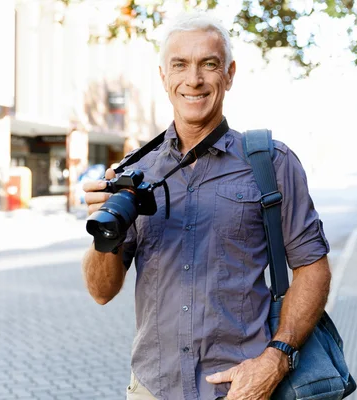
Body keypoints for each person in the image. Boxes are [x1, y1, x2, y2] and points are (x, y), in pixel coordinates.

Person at [81, 11, 331, 400]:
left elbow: (312, 267)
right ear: (164, 77)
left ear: (229, 74)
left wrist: (276, 359)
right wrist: (104, 230)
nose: (193, 79)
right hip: (153, 386)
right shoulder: (135, 172)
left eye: (208, 64)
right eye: (179, 65)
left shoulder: (271, 163)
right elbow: (101, 291)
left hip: (243, 386)